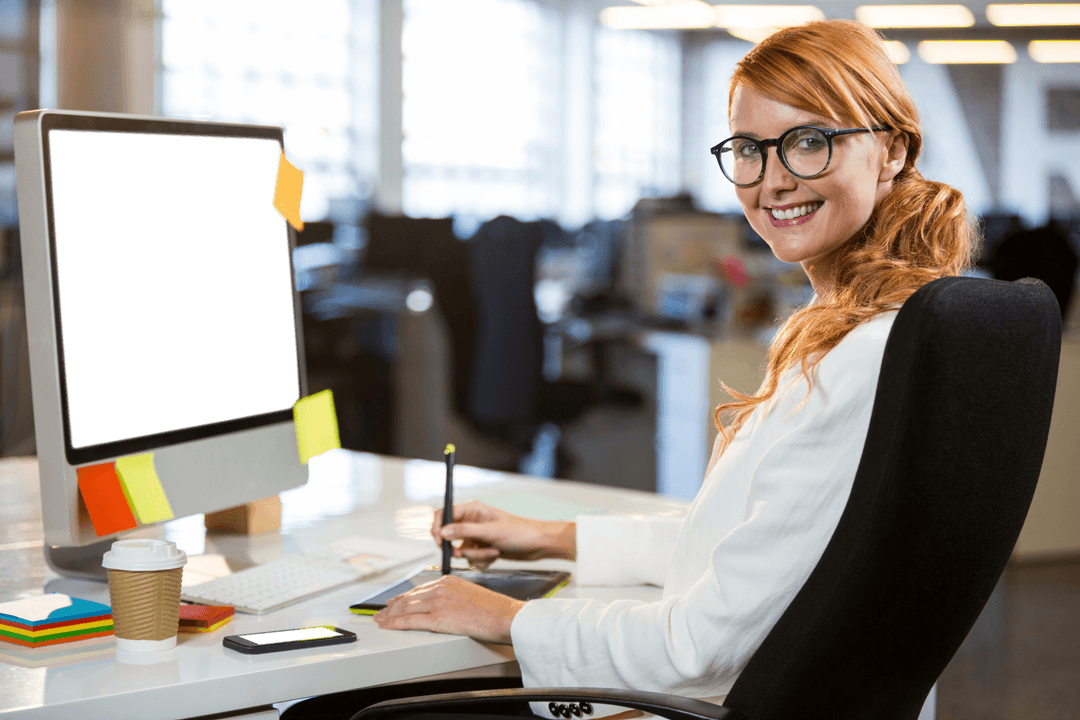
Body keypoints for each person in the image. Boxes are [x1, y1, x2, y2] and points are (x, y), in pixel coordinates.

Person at [283, 18, 974, 719]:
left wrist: (503, 617)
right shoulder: (866, 333)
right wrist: (549, 537)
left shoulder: (860, 361)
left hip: (711, 704)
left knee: (326, 710)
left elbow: (695, 648)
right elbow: (741, 547)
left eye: (808, 141)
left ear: (891, 150)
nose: (771, 180)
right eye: (748, 149)